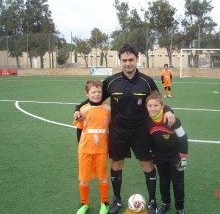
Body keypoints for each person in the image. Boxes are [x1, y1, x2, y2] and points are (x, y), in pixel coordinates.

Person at [74, 43, 176, 214]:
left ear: (137, 59)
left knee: (147, 164)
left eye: (131, 59)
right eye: (124, 60)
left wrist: (169, 111)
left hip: (140, 131)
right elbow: (95, 99)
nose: (128, 63)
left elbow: (158, 101)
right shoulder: (111, 81)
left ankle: (152, 201)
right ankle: (117, 200)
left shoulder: (147, 81)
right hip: (118, 132)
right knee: (117, 164)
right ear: (119, 60)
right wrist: (78, 108)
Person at [145, 91, 188, 214]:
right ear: (146, 107)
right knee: (164, 181)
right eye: (150, 106)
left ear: (162, 106)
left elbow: (183, 138)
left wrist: (183, 158)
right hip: (160, 158)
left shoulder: (173, 120)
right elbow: (151, 142)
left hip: (176, 157)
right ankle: (166, 203)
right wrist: (153, 157)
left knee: (178, 182)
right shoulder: (147, 123)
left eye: (156, 105)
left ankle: (180, 208)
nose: (153, 108)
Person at [73, 79, 111, 214]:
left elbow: (112, 128)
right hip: (85, 150)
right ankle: (84, 204)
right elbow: (79, 129)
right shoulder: (83, 110)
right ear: (87, 93)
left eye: (99, 91)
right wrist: (80, 147)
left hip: (101, 150)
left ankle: (104, 203)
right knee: (84, 178)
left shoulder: (108, 108)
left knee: (102, 177)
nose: (97, 94)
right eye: (93, 92)